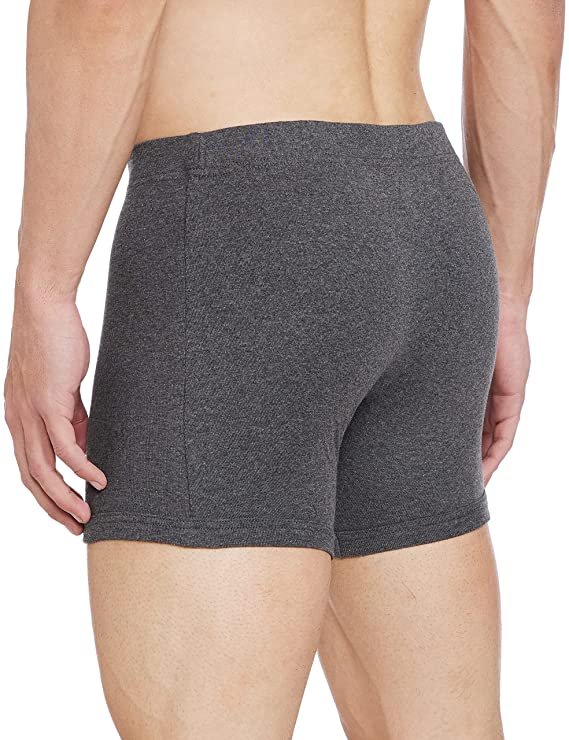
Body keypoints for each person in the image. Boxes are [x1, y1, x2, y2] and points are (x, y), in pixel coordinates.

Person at [4, 0, 564, 737]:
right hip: (428, 217)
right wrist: (508, 288)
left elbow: (103, 10)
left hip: (240, 227)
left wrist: (44, 286)